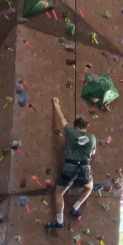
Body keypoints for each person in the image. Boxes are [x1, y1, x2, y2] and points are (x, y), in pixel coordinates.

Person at [46, 96, 96, 229]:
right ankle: (75, 207)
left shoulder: (70, 132)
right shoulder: (92, 138)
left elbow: (62, 119)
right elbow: (93, 153)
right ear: (85, 126)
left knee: (59, 193)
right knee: (89, 187)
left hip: (70, 166)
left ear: (75, 126)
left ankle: (59, 220)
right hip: (84, 168)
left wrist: (56, 104)